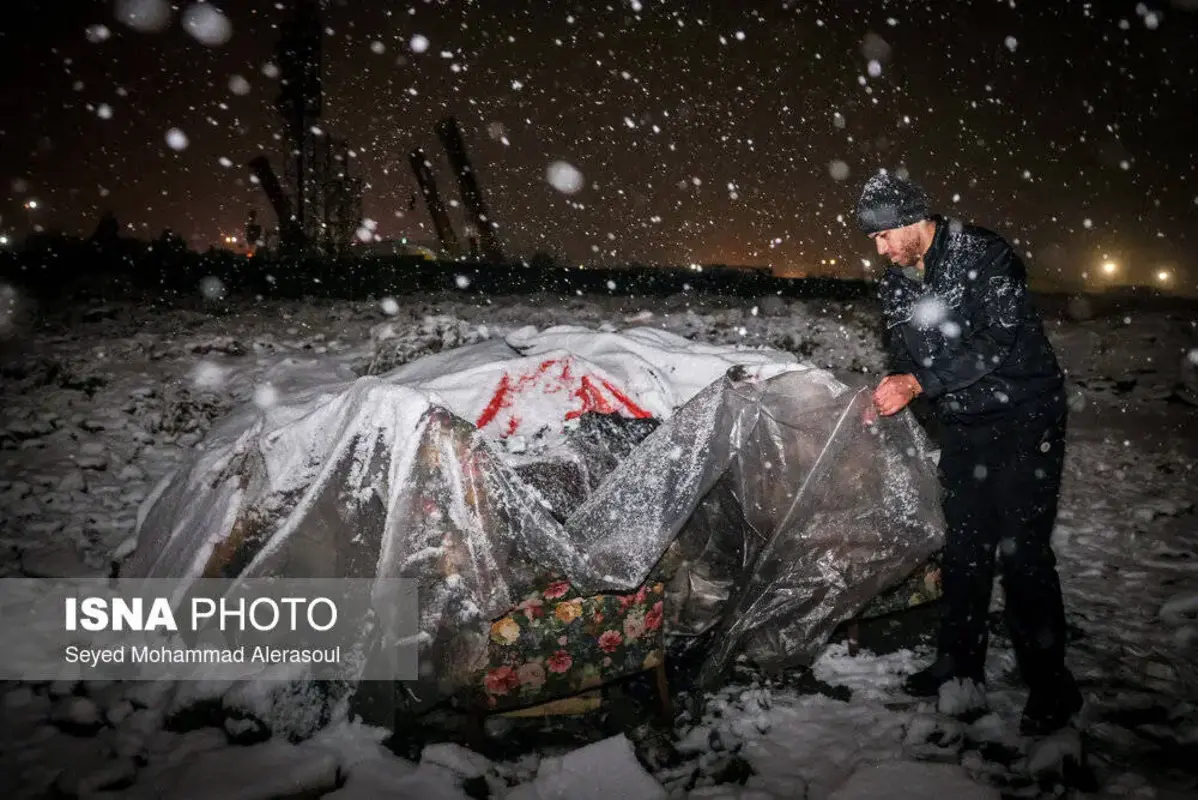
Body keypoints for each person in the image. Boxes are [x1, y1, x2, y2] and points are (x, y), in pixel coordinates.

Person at [854, 170, 1083, 736]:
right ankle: (960, 663)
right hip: (964, 425)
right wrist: (894, 392)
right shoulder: (896, 283)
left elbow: (993, 342)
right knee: (965, 549)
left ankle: (1050, 684)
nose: (879, 249)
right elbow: (909, 354)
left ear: (912, 221)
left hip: (1024, 417)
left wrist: (916, 383)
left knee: (1023, 554)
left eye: (884, 236)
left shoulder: (983, 254)